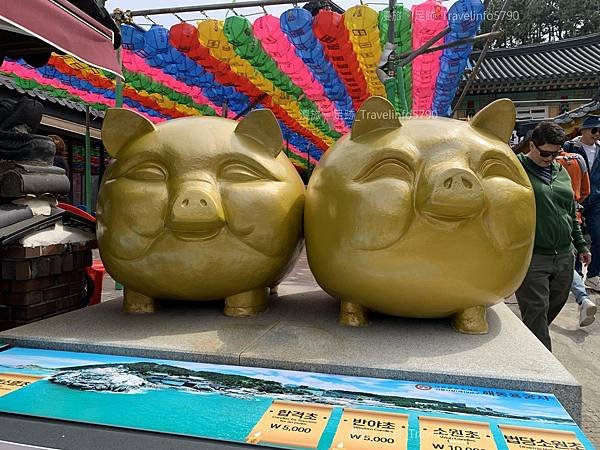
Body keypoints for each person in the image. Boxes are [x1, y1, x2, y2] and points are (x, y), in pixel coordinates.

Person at [515, 122, 591, 351]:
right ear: (532, 145)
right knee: (536, 311)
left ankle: (525, 346)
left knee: (550, 309)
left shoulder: (561, 171)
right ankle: (544, 368)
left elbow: (571, 210)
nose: (550, 158)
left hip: (565, 255)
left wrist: (580, 245)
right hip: (533, 256)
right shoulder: (517, 168)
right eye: (545, 153)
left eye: (556, 153)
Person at [556, 148, 597, 327]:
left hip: (548, 220)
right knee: (569, 262)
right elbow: (586, 191)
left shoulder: (544, 163)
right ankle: (583, 298)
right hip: (574, 216)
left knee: (559, 263)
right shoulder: (579, 160)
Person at [562, 116, 600, 291]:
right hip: (574, 199)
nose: (597, 134)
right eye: (594, 130)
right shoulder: (569, 148)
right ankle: (574, 276)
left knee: (597, 236)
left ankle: (593, 275)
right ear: (583, 130)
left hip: (595, 200)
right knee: (575, 238)